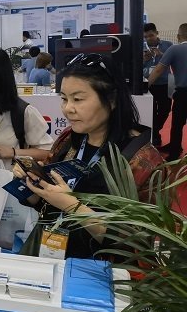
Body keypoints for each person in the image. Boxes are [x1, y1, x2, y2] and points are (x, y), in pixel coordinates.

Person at [14, 53, 164, 259]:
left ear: (111, 100)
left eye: (78, 99)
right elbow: (47, 205)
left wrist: (72, 206)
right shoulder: (68, 139)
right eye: (64, 99)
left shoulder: (142, 159)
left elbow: (143, 242)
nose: (68, 109)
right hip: (54, 256)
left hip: (102, 270)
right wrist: (32, 183)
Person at [148, 23, 187, 161]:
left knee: (177, 124)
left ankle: (175, 151)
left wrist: (145, 85)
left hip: (183, 92)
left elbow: (158, 70)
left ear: (178, 36)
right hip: (176, 89)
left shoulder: (174, 48)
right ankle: (173, 146)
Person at [143, 22, 173, 147]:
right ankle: (154, 136)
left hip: (167, 82)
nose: (149, 38)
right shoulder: (141, 47)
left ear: (157, 33)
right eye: (146, 36)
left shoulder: (168, 45)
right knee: (150, 111)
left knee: (166, 109)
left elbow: (173, 61)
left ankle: (155, 131)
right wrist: (144, 59)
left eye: (151, 35)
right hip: (148, 83)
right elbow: (134, 65)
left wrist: (162, 55)